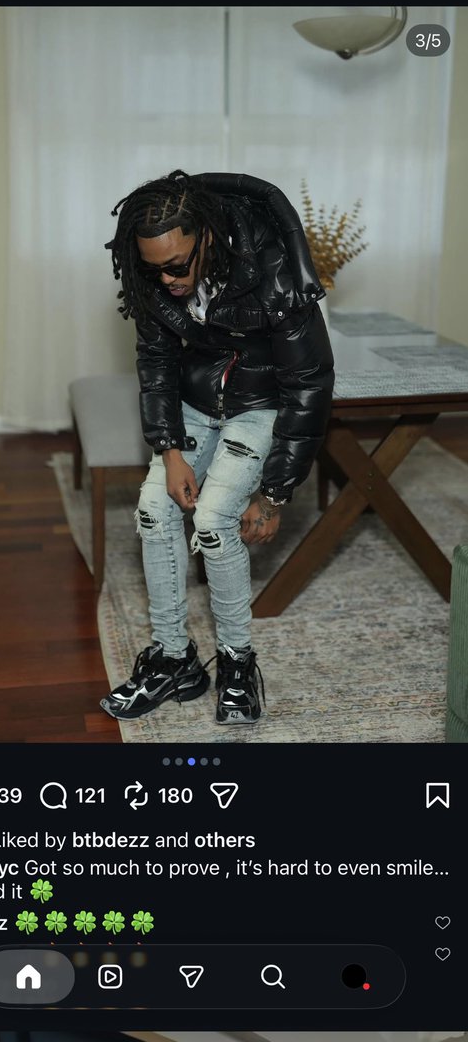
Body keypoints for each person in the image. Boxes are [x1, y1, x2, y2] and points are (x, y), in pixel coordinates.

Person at [101, 170, 335, 724]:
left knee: (211, 521)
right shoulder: (154, 275)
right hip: (196, 401)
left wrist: (273, 495)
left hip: (262, 404)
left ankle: (236, 661)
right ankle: (174, 660)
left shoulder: (274, 270)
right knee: (154, 510)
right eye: (153, 269)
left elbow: (309, 383)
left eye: (177, 266)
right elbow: (156, 362)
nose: (166, 279)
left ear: (207, 236)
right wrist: (170, 451)